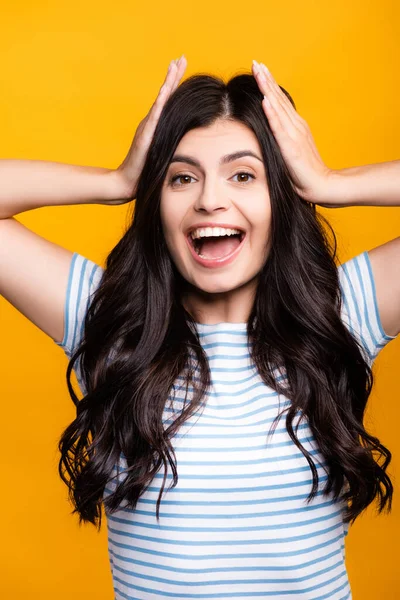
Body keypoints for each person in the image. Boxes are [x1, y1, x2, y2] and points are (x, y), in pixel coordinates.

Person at [1, 54, 399, 599]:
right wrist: (116, 180)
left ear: (281, 198)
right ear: (156, 202)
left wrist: (332, 183)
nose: (210, 199)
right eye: (182, 177)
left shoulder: (342, 314)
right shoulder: (114, 327)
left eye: (243, 175)